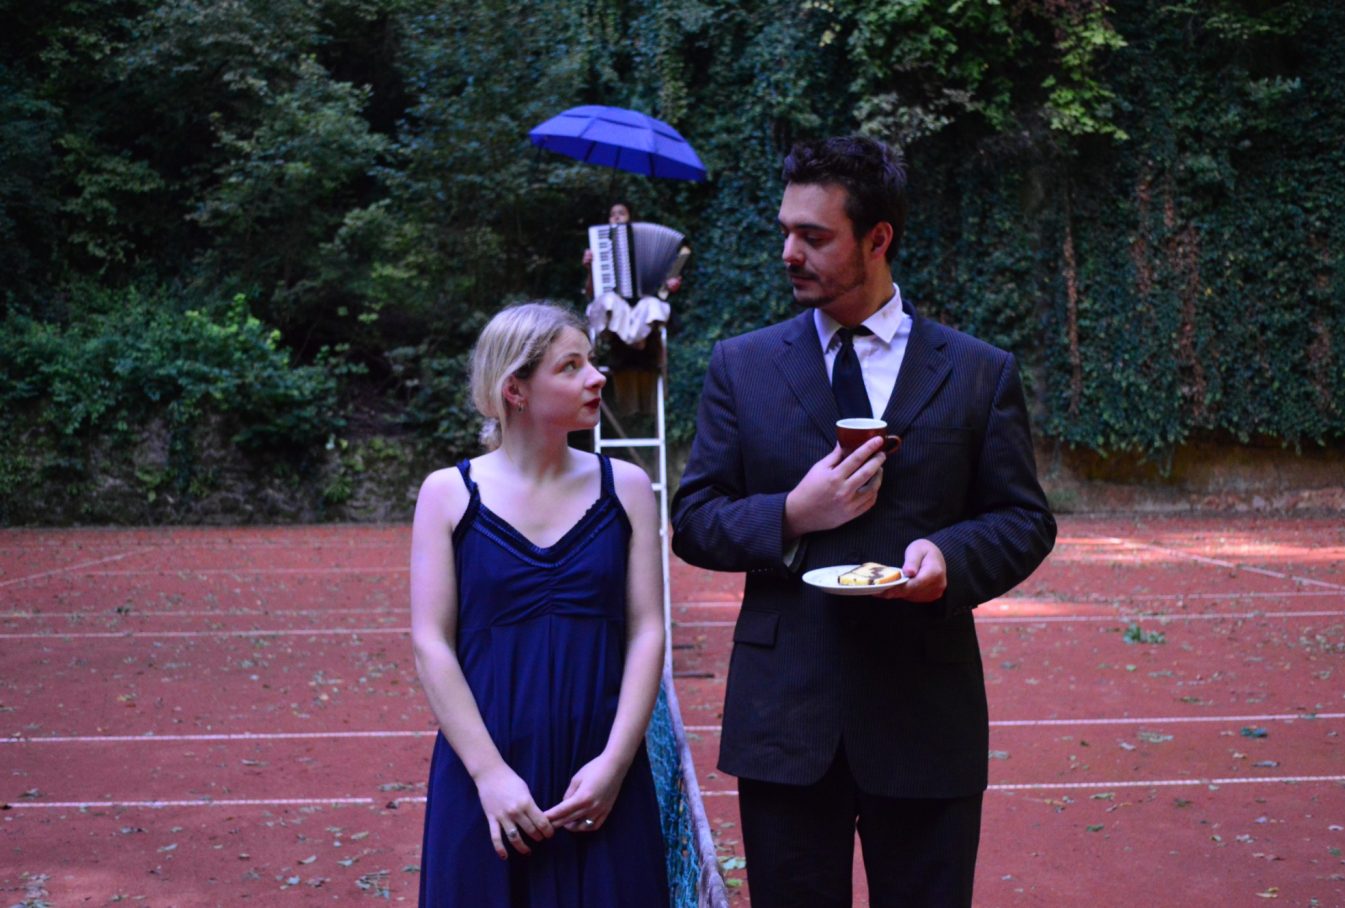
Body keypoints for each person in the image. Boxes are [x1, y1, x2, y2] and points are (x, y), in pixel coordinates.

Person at [670, 136, 1057, 907]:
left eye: (814, 236)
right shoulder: (741, 367)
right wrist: (791, 514)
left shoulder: (978, 371)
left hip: (925, 715)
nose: (789, 253)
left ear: (878, 239)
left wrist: (950, 559)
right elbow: (694, 520)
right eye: (786, 231)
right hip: (785, 718)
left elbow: (1023, 519)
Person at [410, 302, 669, 907]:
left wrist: (614, 765)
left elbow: (648, 631)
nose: (597, 377)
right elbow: (431, 643)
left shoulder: (628, 487)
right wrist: (489, 775)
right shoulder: (447, 494)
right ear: (515, 390)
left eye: (591, 361)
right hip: (488, 780)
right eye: (571, 366)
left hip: (601, 779)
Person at [581, 201, 684, 416]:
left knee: (654, 305)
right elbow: (591, 292)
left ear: (630, 218)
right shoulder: (599, 246)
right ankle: (635, 340)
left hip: (639, 310)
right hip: (616, 312)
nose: (617, 217)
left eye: (622, 213)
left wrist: (669, 286)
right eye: (613, 214)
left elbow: (661, 293)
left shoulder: (643, 242)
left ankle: (632, 340)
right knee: (608, 300)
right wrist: (590, 269)